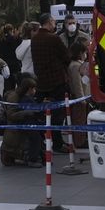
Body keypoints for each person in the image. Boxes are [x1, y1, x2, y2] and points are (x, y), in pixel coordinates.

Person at [30, 14, 73, 153]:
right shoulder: (54, 38)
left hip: (41, 81)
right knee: (58, 114)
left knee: (40, 111)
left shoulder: (34, 38)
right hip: (56, 81)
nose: (55, 24)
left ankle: (42, 138)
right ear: (49, 22)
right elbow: (66, 57)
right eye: (54, 21)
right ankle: (58, 143)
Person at [0, 74, 44, 167]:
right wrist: (27, 112)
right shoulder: (15, 97)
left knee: (37, 137)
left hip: (23, 122)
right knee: (35, 138)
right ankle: (32, 159)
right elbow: (11, 115)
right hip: (19, 125)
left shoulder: (22, 96)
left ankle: (37, 156)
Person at [59, 17, 91, 99]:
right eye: (69, 23)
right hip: (66, 67)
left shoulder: (84, 36)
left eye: (74, 23)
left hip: (81, 63)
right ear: (65, 25)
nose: (72, 25)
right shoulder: (60, 37)